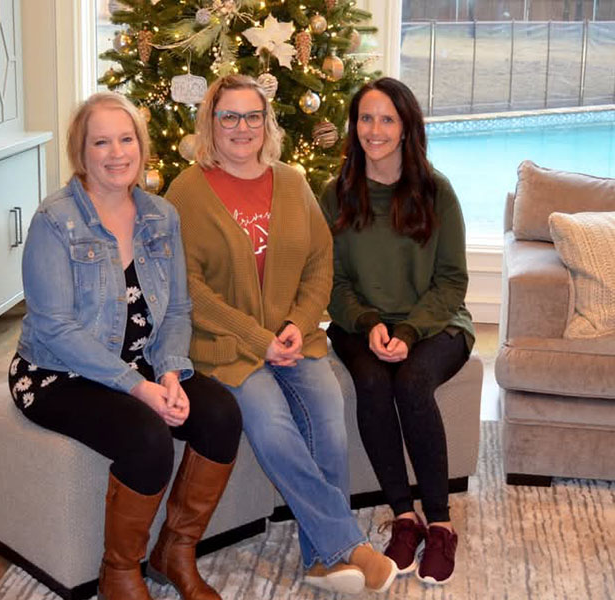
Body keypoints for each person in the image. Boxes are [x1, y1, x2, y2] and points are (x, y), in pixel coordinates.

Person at [164, 74, 397, 595]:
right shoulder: (187, 191)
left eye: (253, 116)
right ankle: (346, 545)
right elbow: (190, 287)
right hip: (228, 348)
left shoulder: (291, 182)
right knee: (271, 425)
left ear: (266, 123)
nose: (241, 128)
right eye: (229, 117)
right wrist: (257, 337)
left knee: (331, 420)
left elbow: (320, 261)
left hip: (295, 339)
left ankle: (322, 560)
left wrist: (296, 323)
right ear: (211, 123)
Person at [8, 92, 242, 600]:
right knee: (146, 435)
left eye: (126, 138)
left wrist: (172, 374)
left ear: (142, 144)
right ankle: (119, 575)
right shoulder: (56, 220)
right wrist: (139, 388)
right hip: (55, 373)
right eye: (101, 142)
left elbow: (178, 310)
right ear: (81, 151)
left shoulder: (162, 216)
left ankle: (174, 554)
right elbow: (54, 328)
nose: (116, 153)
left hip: (141, 362)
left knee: (221, 412)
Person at [320, 77, 475, 586]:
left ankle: (441, 523)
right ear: (354, 126)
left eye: (388, 118)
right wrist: (368, 325)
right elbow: (332, 283)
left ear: (407, 127)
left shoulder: (436, 190)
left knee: (411, 382)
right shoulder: (335, 193)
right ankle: (403, 517)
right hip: (358, 323)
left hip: (434, 322)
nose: (375, 129)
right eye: (366, 118)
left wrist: (408, 331)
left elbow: (452, 282)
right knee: (371, 382)